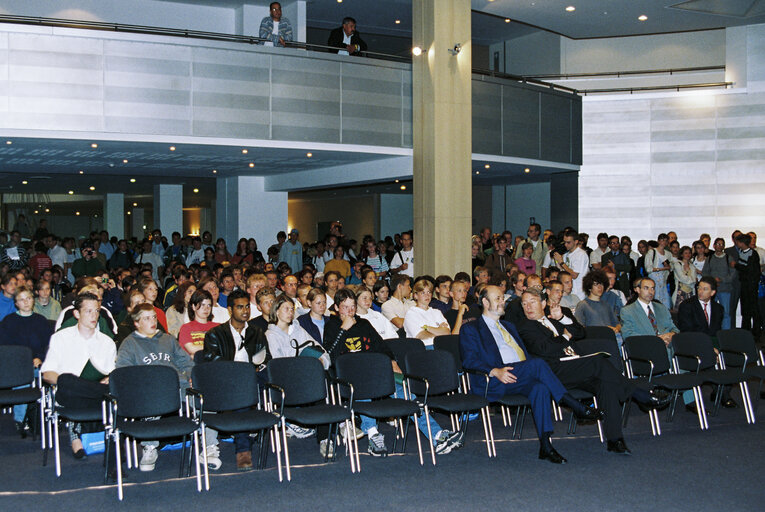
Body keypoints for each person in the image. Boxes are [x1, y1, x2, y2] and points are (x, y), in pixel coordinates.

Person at [460, 285, 605, 463]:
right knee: (537, 364)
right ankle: (575, 405)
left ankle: (546, 445)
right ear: (484, 302)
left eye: (502, 298)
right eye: (497, 298)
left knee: (540, 388)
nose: (502, 301)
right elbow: (469, 360)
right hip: (493, 379)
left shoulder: (509, 326)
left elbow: (525, 354)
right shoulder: (471, 328)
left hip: (518, 375)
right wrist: (494, 371)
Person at [517, 288, 668, 455]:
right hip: (556, 371)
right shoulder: (525, 326)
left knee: (607, 384)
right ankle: (639, 394)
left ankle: (615, 440)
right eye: (524, 303)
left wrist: (562, 318)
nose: (528, 307)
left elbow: (581, 333)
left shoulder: (558, 316)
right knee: (597, 361)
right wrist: (566, 337)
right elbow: (545, 349)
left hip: (577, 366)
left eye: (532, 302)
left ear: (543, 303)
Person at [323, 289, 461, 457]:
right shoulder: (332, 326)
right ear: (336, 308)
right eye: (345, 307)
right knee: (365, 383)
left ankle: (437, 436)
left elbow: (381, 346)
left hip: (375, 371)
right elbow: (330, 354)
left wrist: (393, 361)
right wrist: (343, 330)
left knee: (406, 394)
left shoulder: (364, 324)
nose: (350, 311)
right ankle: (374, 435)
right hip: (351, 376)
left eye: (352, 307)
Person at [116, 303, 194, 472]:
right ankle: (150, 447)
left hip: (176, 386)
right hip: (149, 391)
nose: (152, 321)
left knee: (204, 400)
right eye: (146, 318)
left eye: (153, 317)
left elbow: (186, 363)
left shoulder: (167, 339)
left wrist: (190, 376)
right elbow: (123, 372)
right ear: (136, 323)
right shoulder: (129, 344)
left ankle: (209, 446)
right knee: (150, 401)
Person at [202, 289, 271, 471]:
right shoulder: (215, 334)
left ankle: (250, 434)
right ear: (230, 310)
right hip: (226, 383)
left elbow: (265, 358)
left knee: (267, 377)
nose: (245, 311)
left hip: (253, 380)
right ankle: (243, 449)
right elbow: (213, 364)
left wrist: (255, 368)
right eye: (240, 307)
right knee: (241, 391)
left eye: (247, 306)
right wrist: (239, 372)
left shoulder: (257, 332)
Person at [41, 292, 116, 459]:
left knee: (111, 385)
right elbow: (48, 373)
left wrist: (108, 380)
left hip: (96, 396)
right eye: (88, 311)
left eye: (97, 311)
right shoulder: (60, 338)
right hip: (68, 392)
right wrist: (71, 382)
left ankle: (76, 439)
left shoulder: (107, 342)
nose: (94, 315)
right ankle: (83, 437)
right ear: (77, 313)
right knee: (67, 380)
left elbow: (111, 373)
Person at [0, 287, 54, 436]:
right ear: (16, 303)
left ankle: (48, 416)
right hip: (17, 364)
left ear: (33, 300)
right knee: (23, 376)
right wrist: (25, 360)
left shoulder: (40, 321)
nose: (26, 302)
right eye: (21, 299)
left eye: (28, 298)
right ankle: (20, 419)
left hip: (39, 363)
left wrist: (40, 358)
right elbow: (6, 348)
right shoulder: (9, 321)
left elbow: (49, 345)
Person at [573, 270, 622, 344]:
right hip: (593, 339)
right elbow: (580, 328)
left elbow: (617, 324)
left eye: (601, 284)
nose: (600, 287)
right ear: (589, 287)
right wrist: (603, 330)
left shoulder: (606, 305)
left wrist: (616, 329)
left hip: (609, 338)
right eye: (596, 284)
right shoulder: (583, 305)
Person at [403, 279, 455, 344]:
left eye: (429, 292)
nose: (427, 295)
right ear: (415, 296)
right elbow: (420, 335)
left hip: (440, 347)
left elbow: (447, 332)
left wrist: (427, 328)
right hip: (423, 349)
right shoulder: (411, 313)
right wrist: (439, 329)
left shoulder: (437, 312)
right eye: (423, 293)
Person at [702, 237, 736, 329]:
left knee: (726, 312)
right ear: (713, 245)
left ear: (724, 246)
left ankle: (726, 334)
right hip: (712, 290)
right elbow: (705, 272)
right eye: (717, 244)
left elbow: (733, 274)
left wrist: (721, 280)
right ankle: (713, 331)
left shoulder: (729, 258)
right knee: (711, 312)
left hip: (725, 289)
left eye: (721, 244)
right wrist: (712, 282)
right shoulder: (709, 259)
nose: (719, 246)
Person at [733, 233, 762, 337]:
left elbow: (751, 270)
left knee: (753, 309)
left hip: (751, 286)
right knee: (745, 310)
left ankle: (756, 332)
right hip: (744, 285)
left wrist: (736, 265)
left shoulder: (752, 254)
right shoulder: (742, 252)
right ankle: (745, 331)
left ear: (741, 243)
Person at [178, 289, 219, 356]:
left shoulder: (218, 327)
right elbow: (192, 349)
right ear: (194, 307)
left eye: (209, 305)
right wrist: (213, 347)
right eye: (202, 305)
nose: (206, 309)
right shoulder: (186, 328)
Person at [551, 230, 589, 300]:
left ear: (576, 241)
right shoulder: (566, 254)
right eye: (564, 242)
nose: (566, 245)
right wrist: (557, 261)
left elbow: (574, 275)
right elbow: (562, 271)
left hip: (579, 292)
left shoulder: (581, 254)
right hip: (569, 291)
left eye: (568, 242)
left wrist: (562, 262)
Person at [672, 245, 697, 311]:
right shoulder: (677, 264)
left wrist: (691, 281)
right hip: (680, 292)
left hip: (690, 292)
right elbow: (682, 277)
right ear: (682, 254)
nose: (688, 255)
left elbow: (694, 279)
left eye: (689, 253)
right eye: (686, 253)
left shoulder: (692, 266)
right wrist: (691, 281)